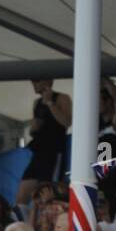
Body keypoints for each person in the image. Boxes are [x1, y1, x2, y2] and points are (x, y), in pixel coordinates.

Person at [17, 79, 72, 210]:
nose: (33, 83)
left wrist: (50, 103)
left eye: (37, 80)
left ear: (48, 81)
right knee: (22, 196)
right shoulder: (36, 102)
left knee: (48, 193)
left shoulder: (62, 98)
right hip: (38, 152)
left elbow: (66, 122)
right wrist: (33, 128)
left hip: (53, 152)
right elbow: (34, 129)